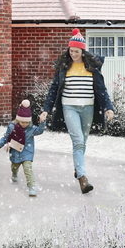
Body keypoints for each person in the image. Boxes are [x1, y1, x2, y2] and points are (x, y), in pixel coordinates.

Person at [40, 28, 114, 194]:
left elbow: (102, 90)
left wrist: (108, 107)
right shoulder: (64, 67)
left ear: (82, 50)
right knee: (78, 140)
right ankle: (82, 178)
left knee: (83, 141)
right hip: (69, 107)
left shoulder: (92, 67)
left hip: (87, 108)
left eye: (76, 51)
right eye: (71, 51)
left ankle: (77, 166)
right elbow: (54, 90)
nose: (73, 54)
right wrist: (46, 109)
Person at [0, 100, 44, 197]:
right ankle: (14, 172)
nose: (24, 124)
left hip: (27, 153)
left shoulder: (31, 129)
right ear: (18, 120)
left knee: (28, 169)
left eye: (27, 122)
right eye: (22, 122)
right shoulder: (12, 127)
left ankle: (32, 187)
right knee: (14, 166)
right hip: (15, 152)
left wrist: (42, 122)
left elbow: (40, 131)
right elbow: (6, 137)